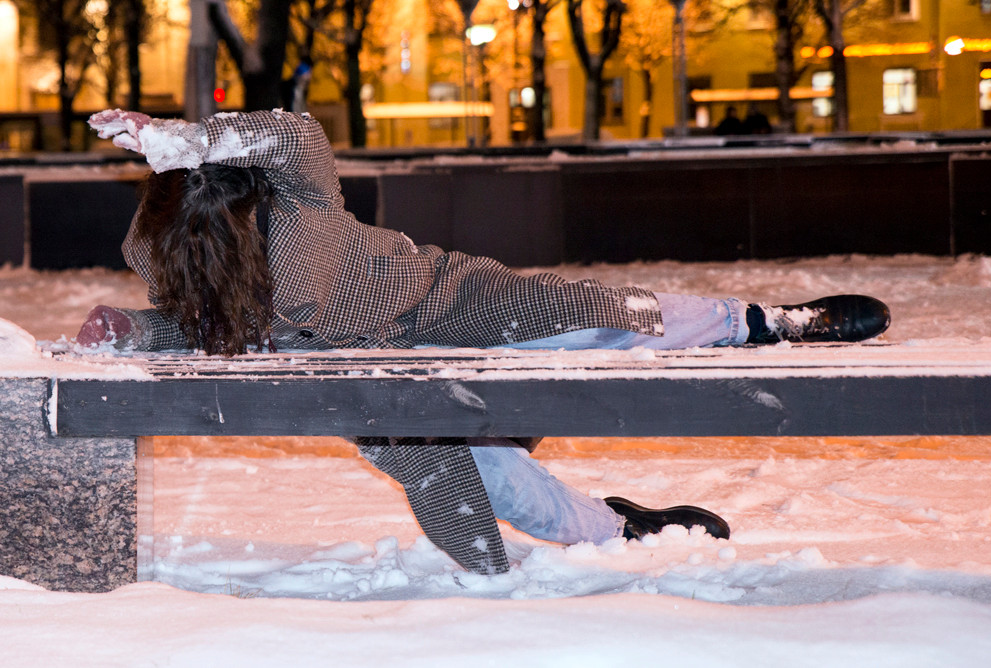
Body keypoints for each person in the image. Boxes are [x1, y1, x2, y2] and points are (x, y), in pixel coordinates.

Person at [79, 109, 891, 575]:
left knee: (597, 315)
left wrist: (195, 136)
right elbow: (200, 331)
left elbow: (299, 137)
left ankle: (762, 323)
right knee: (490, 502)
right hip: (375, 390)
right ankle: (622, 529)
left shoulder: (298, 202)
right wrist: (131, 330)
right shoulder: (154, 248)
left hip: (447, 304)